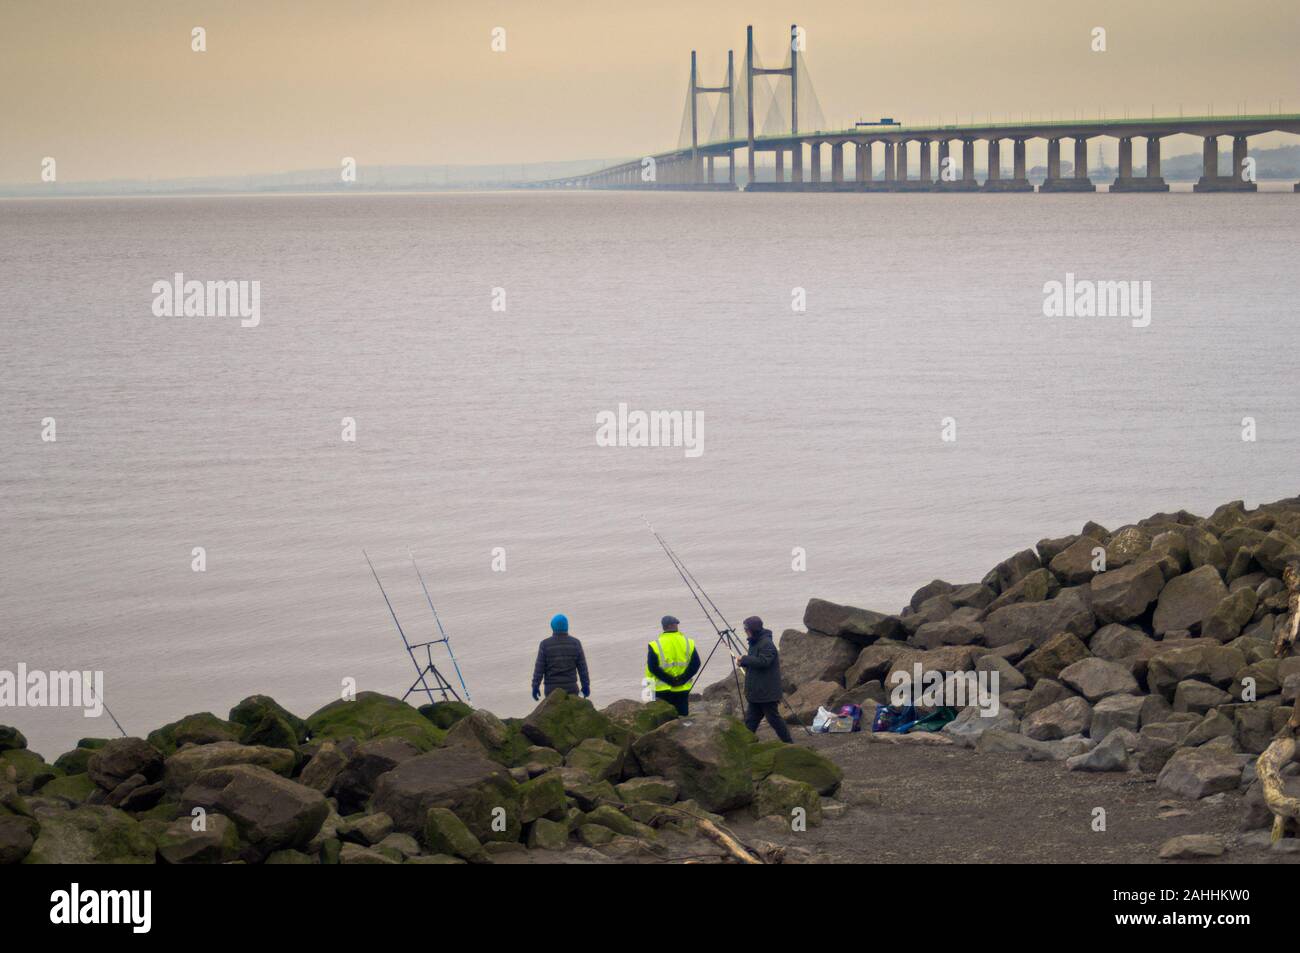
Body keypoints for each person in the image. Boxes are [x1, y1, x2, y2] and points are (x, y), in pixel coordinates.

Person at [732, 615, 792, 743]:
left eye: (746, 630)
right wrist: (743, 662)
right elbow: (755, 663)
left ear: (752, 630)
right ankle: (745, 744)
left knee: (774, 719)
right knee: (750, 720)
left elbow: (764, 662)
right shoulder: (755, 642)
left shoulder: (767, 643)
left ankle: (789, 743)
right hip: (756, 692)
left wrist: (744, 659)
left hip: (766, 692)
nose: (745, 632)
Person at [645, 615, 700, 716]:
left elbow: (652, 667)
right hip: (682, 688)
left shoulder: (655, 644)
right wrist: (683, 679)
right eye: (676, 624)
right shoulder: (688, 642)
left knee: (664, 718)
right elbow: (696, 664)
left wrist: (670, 680)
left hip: (661, 690)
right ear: (672, 625)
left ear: (664, 627)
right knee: (683, 718)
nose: (677, 626)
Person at [531, 614, 590, 701]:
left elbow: (539, 669)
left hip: (551, 690)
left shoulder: (545, 644)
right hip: (571, 688)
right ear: (567, 626)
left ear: (552, 626)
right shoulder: (575, 643)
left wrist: (535, 686)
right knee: (571, 712)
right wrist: (585, 686)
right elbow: (582, 668)